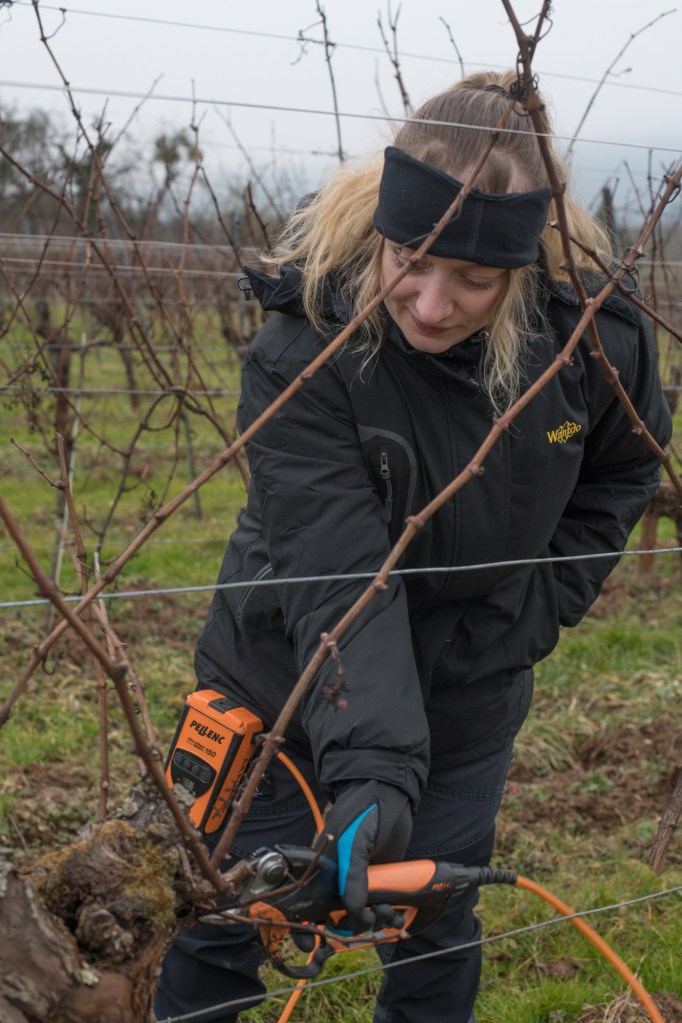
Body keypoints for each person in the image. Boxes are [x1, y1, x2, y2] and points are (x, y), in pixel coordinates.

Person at [154, 71, 672, 1023]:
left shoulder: (591, 340)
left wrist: (529, 610)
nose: (432, 304)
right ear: (384, 227)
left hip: (471, 689)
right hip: (285, 680)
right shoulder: (307, 344)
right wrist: (376, 768)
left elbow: (627, 467)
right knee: (225, 915)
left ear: (522, 267)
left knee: (435, 918)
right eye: (413, 260)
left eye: (474, 279)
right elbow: (337, 571)